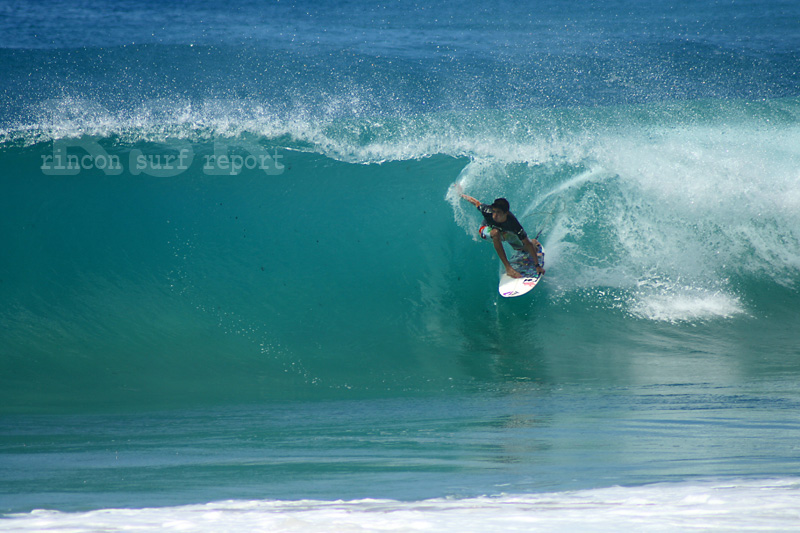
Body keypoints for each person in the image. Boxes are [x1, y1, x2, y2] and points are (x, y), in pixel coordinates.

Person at [460, 194, 545, 278]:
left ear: (506, 213)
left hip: (504, 232)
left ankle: (531, 242)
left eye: (498, 213)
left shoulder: (513, 224)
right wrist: (461, 194)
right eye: (494, 211)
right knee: (495, 233)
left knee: (530, 247)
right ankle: (508, 268)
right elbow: (476, 202)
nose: (495, 215)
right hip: (486, 230)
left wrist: (537, 266)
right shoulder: (487, 210)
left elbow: (527, 244)